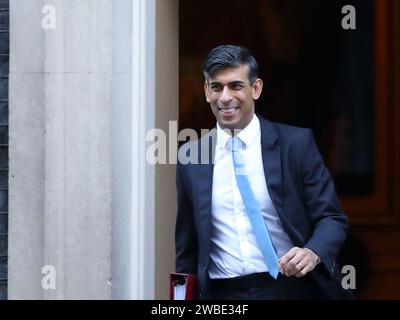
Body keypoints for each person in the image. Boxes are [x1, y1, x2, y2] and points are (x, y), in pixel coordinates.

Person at [175, 44, 354, 299]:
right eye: (216, 87)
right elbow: (186, 249)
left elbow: (331, 218)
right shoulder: (190, 158)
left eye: (236, 86)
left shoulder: (296, 144)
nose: (225, 97)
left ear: (256, 88)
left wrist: (312, 252)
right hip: (223, 294)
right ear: (206, 91)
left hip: (289, 288)